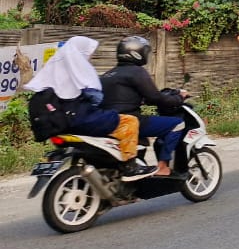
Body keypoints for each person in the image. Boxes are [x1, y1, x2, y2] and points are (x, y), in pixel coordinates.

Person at [23, 35, 155, 180]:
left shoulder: (54, 70)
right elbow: (96, 97)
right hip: (78, 118)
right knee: (129, 121)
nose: (90, 56)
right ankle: (130, 167)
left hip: (60, 122)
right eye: (89, 52)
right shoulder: (80, 68)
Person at [101, 35, 189, 178]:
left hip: (108, 121)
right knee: (177, 123)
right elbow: (155, 97)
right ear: (136, 53)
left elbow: (126, 98)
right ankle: (163, 167)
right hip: (130, 121)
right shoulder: (137, 71)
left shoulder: (108, 74)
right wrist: (179, 98)